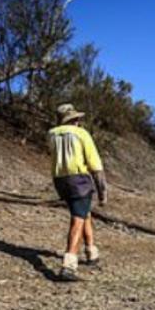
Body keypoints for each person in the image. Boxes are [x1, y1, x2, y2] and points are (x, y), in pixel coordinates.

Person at [48, 103, 108, 281]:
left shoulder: (51, 134)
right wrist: (102, 192)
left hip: (60, 180)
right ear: (74, 120)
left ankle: (91, 251)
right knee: (77, 220)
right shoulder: (82, 134)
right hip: (79, 180)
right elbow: (95, 165)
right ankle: (69, 264)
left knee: (83, 212)